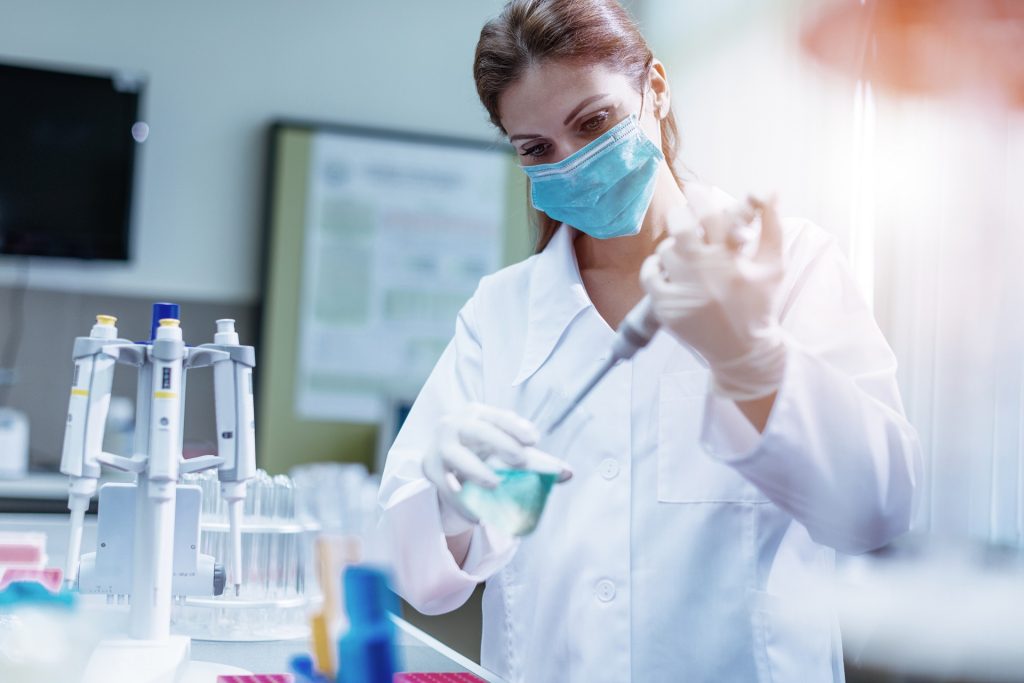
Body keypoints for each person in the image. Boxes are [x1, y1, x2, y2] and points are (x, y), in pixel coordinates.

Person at [378, 1, 921, 681]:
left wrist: (753, 359)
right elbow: (418, 574)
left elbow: (877, 507)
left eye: (593, 121)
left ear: (655, 89)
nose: (570, 163)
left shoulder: (789, 265)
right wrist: (451, 499)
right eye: (537, 149)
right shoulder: (502, 313)